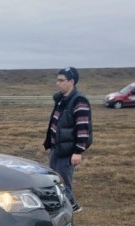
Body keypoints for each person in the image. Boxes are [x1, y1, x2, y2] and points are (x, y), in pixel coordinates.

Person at [43, 67, 92, 213]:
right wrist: (48, 142)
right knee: (54, 178)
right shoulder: (62, 99)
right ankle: (58, 204)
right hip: (56, 148)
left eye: (61, 80)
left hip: (68, 151)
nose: (57, 83)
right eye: (57, 80)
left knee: (63, 181)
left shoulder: (79, 101)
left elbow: (83, 128)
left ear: (71, 82)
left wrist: (77, 151)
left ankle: (72, 206)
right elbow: (55, 123)